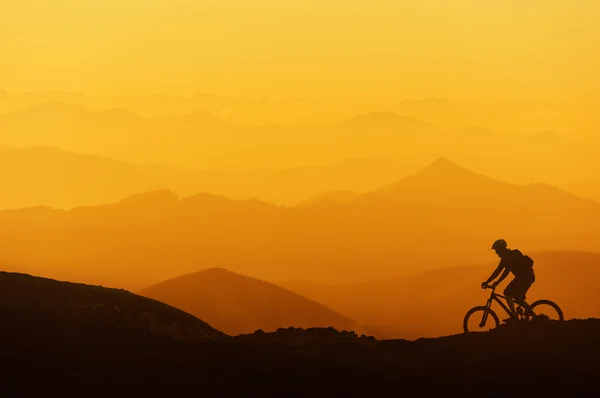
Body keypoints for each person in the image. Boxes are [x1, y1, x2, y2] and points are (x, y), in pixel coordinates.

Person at [481, 239, 535, 323]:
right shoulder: (506, 258)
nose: (496, 252)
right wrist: (487, 281)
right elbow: (497, 271)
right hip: (524, 277)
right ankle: (533, 316)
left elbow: (506, 272)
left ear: (501, 249)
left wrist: (497, 282)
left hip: (525, 278)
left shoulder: (511, 257)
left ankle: (515, 316)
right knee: (518, 299)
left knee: (507, 292)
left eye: (497, 250)